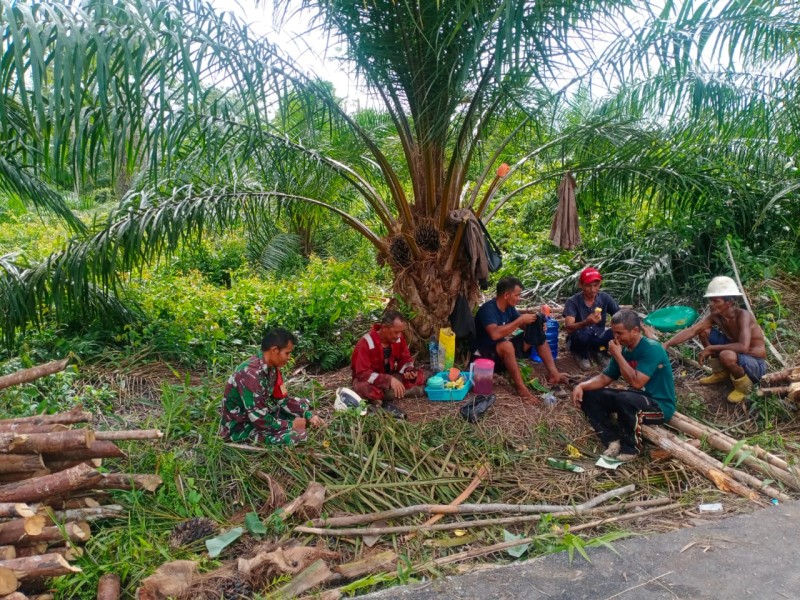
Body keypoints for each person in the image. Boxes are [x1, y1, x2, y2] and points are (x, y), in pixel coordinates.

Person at [572, 310, 675, 461]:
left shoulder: (652, 348)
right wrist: (581, 386)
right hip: (636, 398)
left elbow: (637, 383)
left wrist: (618, 356)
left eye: (620, 333)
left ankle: (631, 449)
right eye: (614, 333)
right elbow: (605, 378)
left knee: (625, 399)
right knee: (590, 395)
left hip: (659, 405)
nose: (616, 338)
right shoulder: (624, 348)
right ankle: (612, 440)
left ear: (635, 331)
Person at [663, 276, 767, 403]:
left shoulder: (743, 316)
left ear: (729, 302)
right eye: (710, 301)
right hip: (737, 354)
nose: (711, 304)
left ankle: (743, 387)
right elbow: (692, 330)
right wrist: (666, 344)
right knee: (704, 332)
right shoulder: (716, 316)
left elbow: (743, 347)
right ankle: (721, 373)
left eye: (716, 301)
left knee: (726, 354)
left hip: (755, 364)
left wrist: (712, 348)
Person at [219, 328, 325, 445]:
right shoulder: (251, 374)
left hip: (259, 418)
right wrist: (292, 425)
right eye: (287, 353)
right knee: (299, 436)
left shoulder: (272, 369)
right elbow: (260, 420)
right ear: (275, 350)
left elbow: (283, 400)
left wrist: (308, 415)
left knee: (302, 404)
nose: (289, 357)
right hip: (241, 430)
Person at [474, 276, 568, 401]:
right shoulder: (488, 309)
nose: (519, 298)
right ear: (506, 295)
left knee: (537, 333)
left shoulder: (509, 308)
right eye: (517, 295)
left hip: (499, 354)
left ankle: (554, 374)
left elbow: (523, 325)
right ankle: (521, 388)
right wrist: (519, 320)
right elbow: (495, 334)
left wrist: (537, 324)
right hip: (483, 358)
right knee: (506, 345)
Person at [351, 310, 425, 419]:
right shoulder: (365, 343)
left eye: (401, 332)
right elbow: (362, 374)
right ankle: (396, 393)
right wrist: (388, 379)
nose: (399, 336)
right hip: (369, 381)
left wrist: (408, 370)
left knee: (418, 374)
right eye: (396, 332)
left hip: (389, 377)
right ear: (384, 328)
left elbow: (405, 359)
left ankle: (389, 394)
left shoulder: (398, 339)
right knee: (363, 388)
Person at [563, 266, 620, 371]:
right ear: (581, 285)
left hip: (598, 335)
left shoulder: (604, 298)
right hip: (579, 337)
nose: (593, 290)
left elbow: (619, 315)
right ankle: (581, 354)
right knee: (582, 335)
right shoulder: (572, 301)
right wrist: (586, 322)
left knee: (618, 331)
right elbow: (569, 328)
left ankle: (599, 351)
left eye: (596, 285)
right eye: (588, 286)